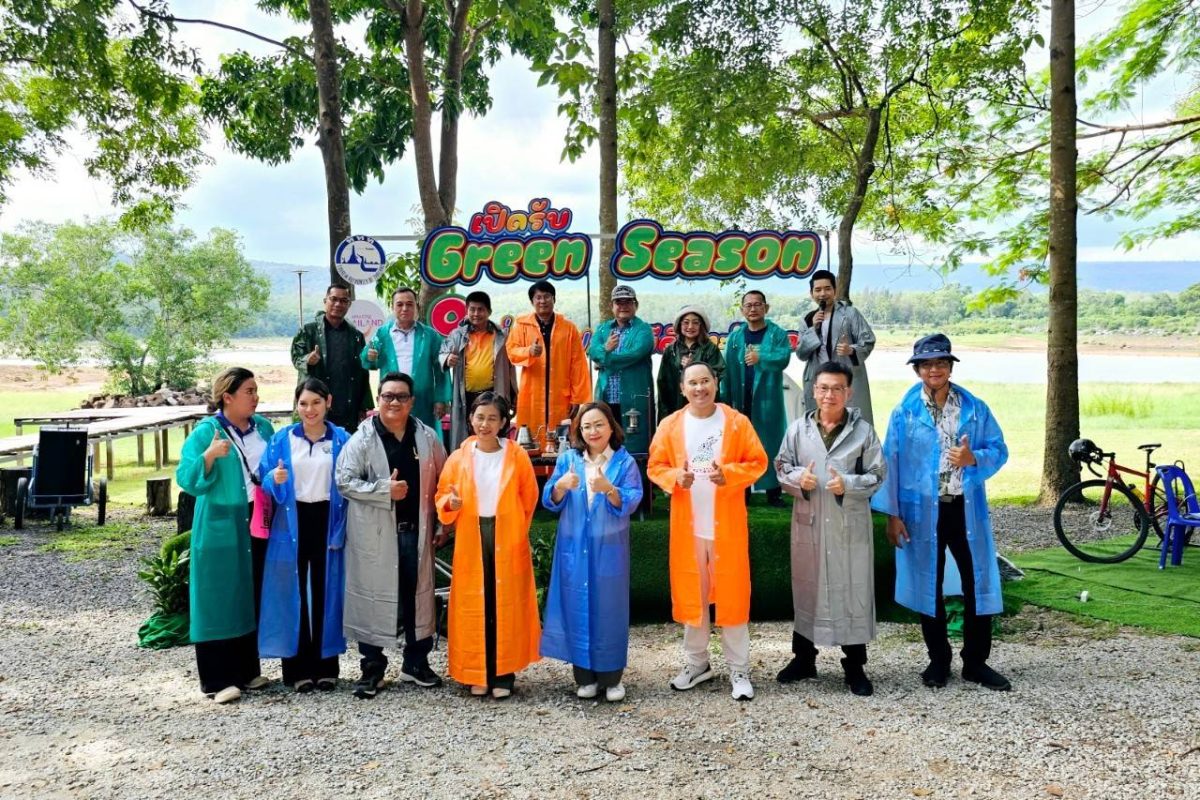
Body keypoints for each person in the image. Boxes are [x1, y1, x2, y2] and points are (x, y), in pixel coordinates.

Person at [871, 334, 1012, 691]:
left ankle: (976, 662)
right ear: (917, 370)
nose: (934, 369)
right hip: (920, 512)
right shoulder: (904, 412)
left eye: (941, 363)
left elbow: (999, 448)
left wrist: (973, 457)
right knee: (927, 582)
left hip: (964, 508)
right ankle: (938, 660)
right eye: (927, 364)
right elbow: (891, 463)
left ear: (950, 366)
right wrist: (892, 515)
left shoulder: (974, 408)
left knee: (976, 580)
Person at [647, 361, 768, 701]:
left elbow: (757, 461)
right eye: (692, 383)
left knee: (733, 596)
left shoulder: (736, 422)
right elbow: (655, 465)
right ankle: (697, 663)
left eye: (705, 381)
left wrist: (729, 474)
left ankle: (739, 669)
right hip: (688, 528)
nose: (699, 388)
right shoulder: (671, 425)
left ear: (716, 383)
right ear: (682, 388)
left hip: (726, 526)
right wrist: (675, 477)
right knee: (693, 596)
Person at [335, 372, 449, 699]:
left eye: (401, 396)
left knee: (418, 597)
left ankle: (416, 663)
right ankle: (372, 668)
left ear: (411, 401)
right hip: (376, 536)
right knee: (373, 597)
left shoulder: (426, 437)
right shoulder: (362, 439)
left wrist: (444, 523)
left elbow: (445, 481)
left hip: (417, 531)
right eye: (388, 396)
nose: (394, 402)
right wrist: (384, 490)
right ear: (378, 399)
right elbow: (344, 482)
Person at [775, 362, 885, 696]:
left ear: (848, 393)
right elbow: (781, 466)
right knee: (808, 587)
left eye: (837, 388)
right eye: (823, 388)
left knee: (852, 590)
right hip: (809, 521)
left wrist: (848, 484)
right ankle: (803, 659)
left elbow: (878, 474)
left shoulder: (863, 432)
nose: (829, 395)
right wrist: (800, 479)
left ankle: (855, 666)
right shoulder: (798, 429)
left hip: (847, 524)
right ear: (814, 390)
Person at [175, 367, 275, 703]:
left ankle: (247, 670)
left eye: (256, 390)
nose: (255, 397)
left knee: (249, 589)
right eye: (249, 391)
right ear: (227, 397)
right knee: (217, 596)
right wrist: (208, 457)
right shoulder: (207, 431)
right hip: (220, 521)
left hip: (257, 518)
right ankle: (217, 679)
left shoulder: (263, 427)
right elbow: (186, 478)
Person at [436, 393, 540, 699]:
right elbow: (442, 495)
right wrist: (451, 504)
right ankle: (475, 672)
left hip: (506, 534)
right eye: (480, 417)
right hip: (472, 535)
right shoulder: (459, 457)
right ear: (471, 419)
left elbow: (529, 497)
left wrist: (517, 529)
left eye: (492, 418)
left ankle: (503, 673)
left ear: (504, 422)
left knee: (504, 604)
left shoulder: (516, 455)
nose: (485, 424)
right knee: (474, 604)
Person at [541, 402, 643, 702]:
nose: (592, 431)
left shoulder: (624, 462)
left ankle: (612, 679)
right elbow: (550, 499)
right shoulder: (569, 459)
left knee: (609, 610)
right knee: (576, 606)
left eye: (599, 424)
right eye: (586, 426)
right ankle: (584, 676)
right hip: (573, 547)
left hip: (609, 548)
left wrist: (609, 489)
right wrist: (560, 486)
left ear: (612, 427)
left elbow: (633, 499)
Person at [257, 378, 350, 693]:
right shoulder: (282, 439)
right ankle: (297, 669)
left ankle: (326, 667)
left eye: (316, 402)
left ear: (328, 403)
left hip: (327, 519)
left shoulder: (342, 439)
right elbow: (264, 479)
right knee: (292, 591)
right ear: (296, 406)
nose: (310, 410)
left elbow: (353, 478)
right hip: (292, 521)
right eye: (303, 403)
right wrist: (274, 478)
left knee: (327, 590)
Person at [720, 290, 792, 507]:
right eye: (748, 305)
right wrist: (725, 400)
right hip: (741, 399)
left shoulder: (777, 333)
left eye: (757, 304)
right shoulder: (735, 337)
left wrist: (761, 357)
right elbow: (726, 370)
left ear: (766, 308)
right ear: (742, 310)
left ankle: (774, 491)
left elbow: (783, 358)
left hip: (767, 400)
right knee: (741, 446)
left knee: (770, 443)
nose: (753, 309)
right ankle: (743, 490)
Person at [506, 280, 591, 450]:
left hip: (561, 394)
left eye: (547, 297)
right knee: (530, 439)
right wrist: (528, 351)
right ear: (532, 301)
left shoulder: (568, 328)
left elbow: (578, 364)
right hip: (531, 394)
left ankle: (561, 466)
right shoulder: (522, 325)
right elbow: (511, 351)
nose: (542, 301)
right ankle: (533, 467)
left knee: (563, 440)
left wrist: (577, 398)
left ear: (554, 299)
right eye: (538, 297)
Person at [796, 270, 877, 425]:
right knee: (820, 424)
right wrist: (813, 329)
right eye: (818, 290)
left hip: (846, 376)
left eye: (827, 289)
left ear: (835, 290)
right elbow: (801, 354)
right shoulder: (807, 319)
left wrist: (851, 350)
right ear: (811, 293)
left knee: (852, 423)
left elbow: (868, 341)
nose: (822, 294)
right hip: (819, 379)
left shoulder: (850, 314)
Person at [361, 287, 449, 429]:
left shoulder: (430, 335)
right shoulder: (382, 334)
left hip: (423, 400)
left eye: (409, 304)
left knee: (423, 436)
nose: (404, 308)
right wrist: (370, 356)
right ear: (392, 307)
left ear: (416, 306)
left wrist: (440, 399)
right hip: (392, 400)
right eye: (399, 304)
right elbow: (367, 361)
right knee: (392, 435)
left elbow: (441, 368)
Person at [439, 290, 517, 450]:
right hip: (466, 396)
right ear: (466, 311)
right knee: (468, 439)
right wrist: (447, 358)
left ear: (489, 311)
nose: (476, 314)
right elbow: (442, 353)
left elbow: (511, 368)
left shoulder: (501, 336)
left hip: (495, 394)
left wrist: (514, 395)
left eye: (480, 309)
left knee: (495, 435)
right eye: (472, 309)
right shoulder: (457, 335)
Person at [290, 284, 374, 431]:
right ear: (325, 301)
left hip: (347, 405)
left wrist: (364, 405)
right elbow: (296, 357)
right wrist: (308, 359)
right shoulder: (308, 331)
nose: (338, 304)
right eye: (334, 299)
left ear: (348, 305)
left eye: (343, 301)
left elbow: (362, 372)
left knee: (345, 443)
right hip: (316, 403)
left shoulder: (356, 336)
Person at [587, 285, 655, 454]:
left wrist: (604, 359)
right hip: (606, 397)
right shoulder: (603, 329)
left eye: (628, 302)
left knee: (636, 446)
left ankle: (637, 471)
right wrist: (605, 348)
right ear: (612, 306)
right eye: (619, 302)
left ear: (636, 305)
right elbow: (592, 351)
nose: (623, 306)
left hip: (634, 397)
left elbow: (635, 354)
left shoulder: (644, 330)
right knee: (604, 443)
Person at [657, 306, 725, 422]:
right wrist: (664, 416)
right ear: (679, 325)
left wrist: (695, 367)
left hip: (704, 407)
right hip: (675, 407)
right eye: (686, 322)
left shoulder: (710, 349)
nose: (690, 327)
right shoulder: (671, 350)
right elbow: (662, 382)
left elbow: (720, 375)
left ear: (701, 326)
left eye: (695, 323)